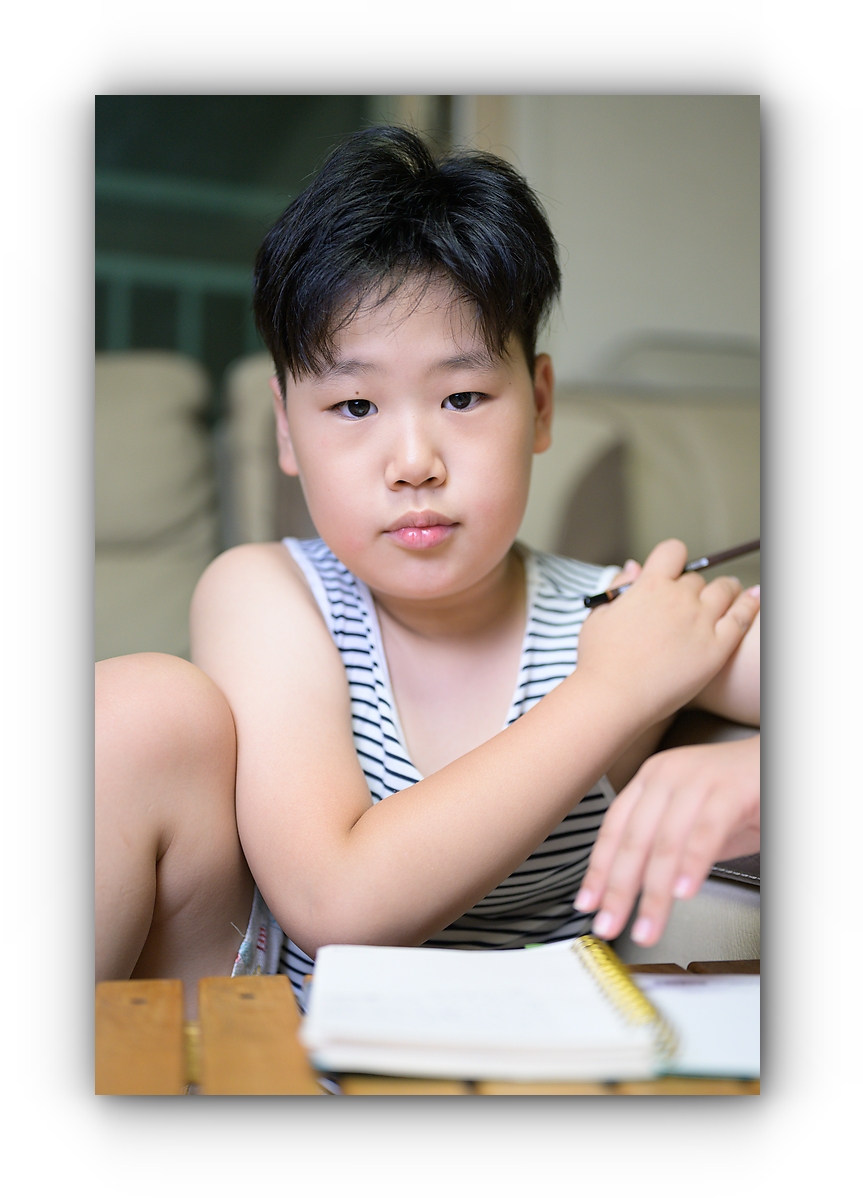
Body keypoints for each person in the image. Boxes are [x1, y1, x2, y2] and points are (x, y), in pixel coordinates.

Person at [96, 127, 760, 1016]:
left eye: (462, 397)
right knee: (136, 707)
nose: (414, 462)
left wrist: (757, 773)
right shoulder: (272, 595)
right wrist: (610, 694)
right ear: (287, 428)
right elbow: (336, 903)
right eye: (354, 405)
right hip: (271, 1053)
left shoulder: (624, 617)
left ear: (540, 405)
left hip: (535, 1067)